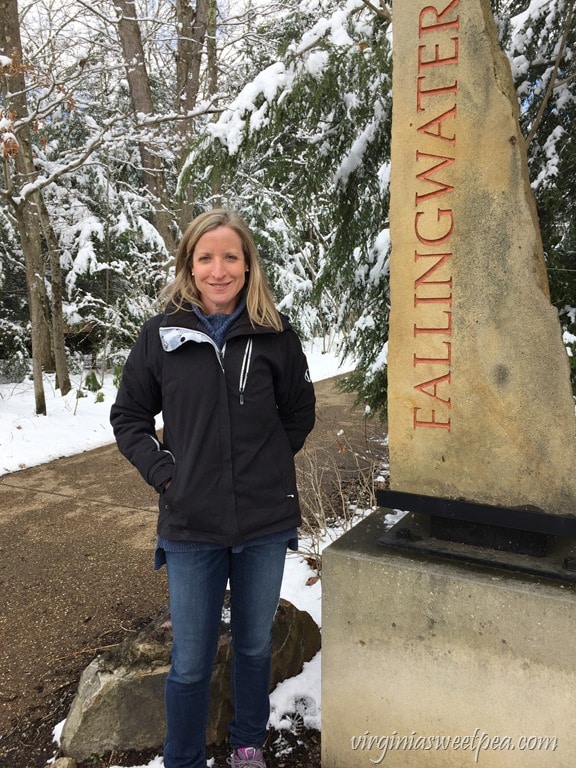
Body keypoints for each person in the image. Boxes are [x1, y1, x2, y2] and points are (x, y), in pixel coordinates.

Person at [110, 209, 316, 768]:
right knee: (192, 660)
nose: (218, 269)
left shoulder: (274, 333)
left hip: (264, 525)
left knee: (252, 645)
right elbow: (129, 416)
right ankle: (183, 758)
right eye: (206, 257)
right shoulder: (160, 336)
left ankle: (247, 743)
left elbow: (298, 413)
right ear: (188, 265)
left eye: (230, 257)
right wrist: (165, 473)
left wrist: (265, 467)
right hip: (191, 526)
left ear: (248, 265)